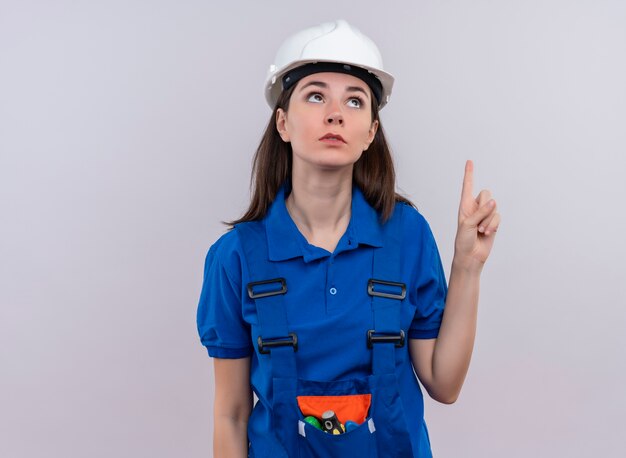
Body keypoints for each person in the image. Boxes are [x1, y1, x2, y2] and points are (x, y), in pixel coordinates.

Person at [196, 19, 500, 458]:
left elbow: (444, 384)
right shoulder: (236, 257)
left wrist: (468, 265)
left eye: (355, 101)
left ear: (370, 133)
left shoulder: (408, 236)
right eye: (315, 95)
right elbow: (230, 414)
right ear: (282, 122)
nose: (335, 113)